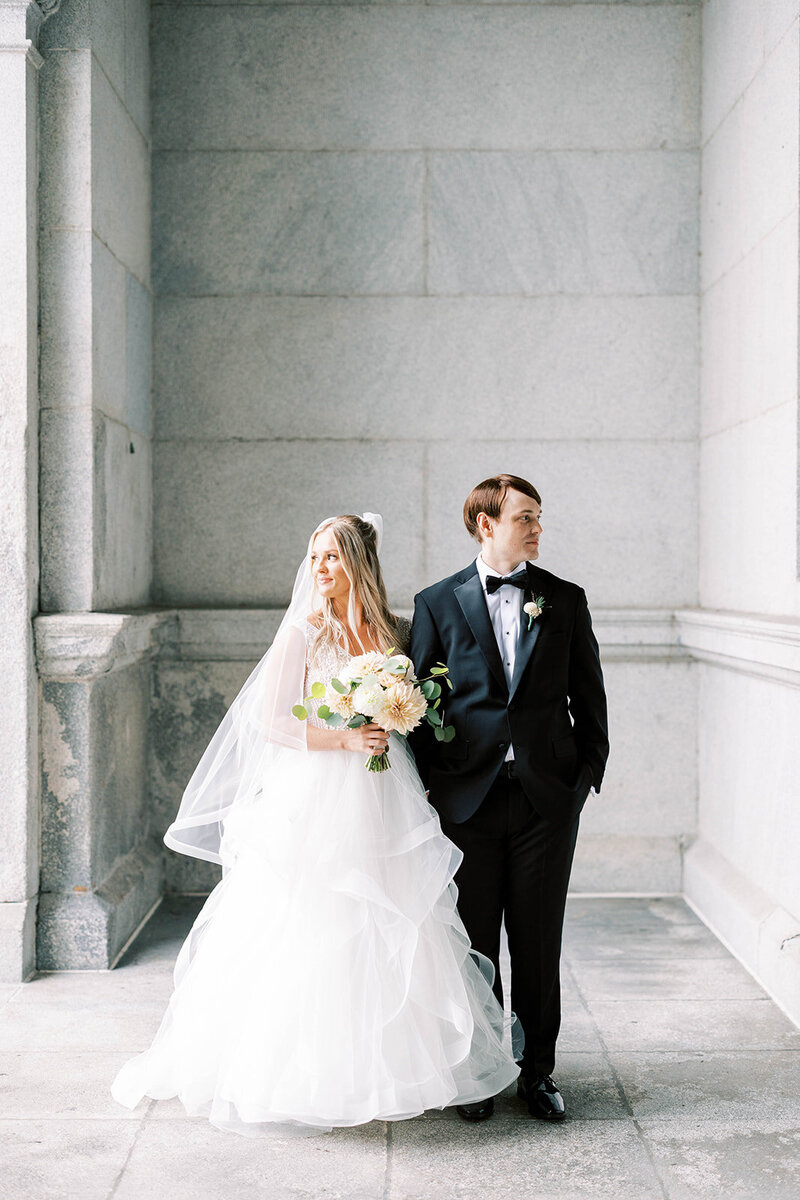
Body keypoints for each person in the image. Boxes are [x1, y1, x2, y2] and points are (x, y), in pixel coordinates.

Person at [110, 513, 519, 1135]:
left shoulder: (393, 633)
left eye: (329, 557)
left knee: (391, 919)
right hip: (319, 792)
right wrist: (343, 741)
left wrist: (398, 718)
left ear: (358, 563)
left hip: (387, 794)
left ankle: (389, 1065)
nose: (318, 568)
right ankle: (308, 1074)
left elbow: (417, 707)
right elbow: (270, 722)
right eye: (314, 557)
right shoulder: (305, 633)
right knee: (316, 917)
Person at [409, 476, 609, 1123]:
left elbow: (590, 696)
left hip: (546, 805)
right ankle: (479, 1072)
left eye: (539, 518)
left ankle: (538, 1073)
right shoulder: (437, 603)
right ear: (484, 523)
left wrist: (583, 779)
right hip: (466, 803)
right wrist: (432, 790)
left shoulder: (565, 601)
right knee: (474, 947)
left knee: (537, 943)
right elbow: (417, 705)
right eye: (525, 517)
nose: (537, 529)